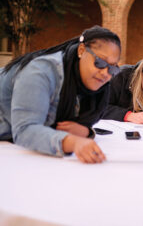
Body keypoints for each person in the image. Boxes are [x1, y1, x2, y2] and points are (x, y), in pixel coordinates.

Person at [0, 26, 121, 163]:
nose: (106, 73)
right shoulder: (41, 72)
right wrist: (72, 142)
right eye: (100, 62)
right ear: (81, 51)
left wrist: (86, 132)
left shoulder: (86, 83)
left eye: (112, 68)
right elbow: (25, 130)